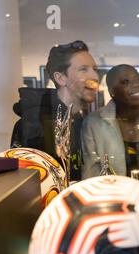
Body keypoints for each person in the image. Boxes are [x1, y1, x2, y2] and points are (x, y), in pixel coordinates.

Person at [11, 40, 99, 181]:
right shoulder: (35, 126)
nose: (94, 77)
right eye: (83, 69)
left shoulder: (77, 119)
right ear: (60, 78)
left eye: (95, 69)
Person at [82, 64, 139, 178]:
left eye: (138, 79)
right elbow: (91, 174)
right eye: (125, 82)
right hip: (112, 194)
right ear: (111, 91)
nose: (136, 85)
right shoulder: (94, 124)